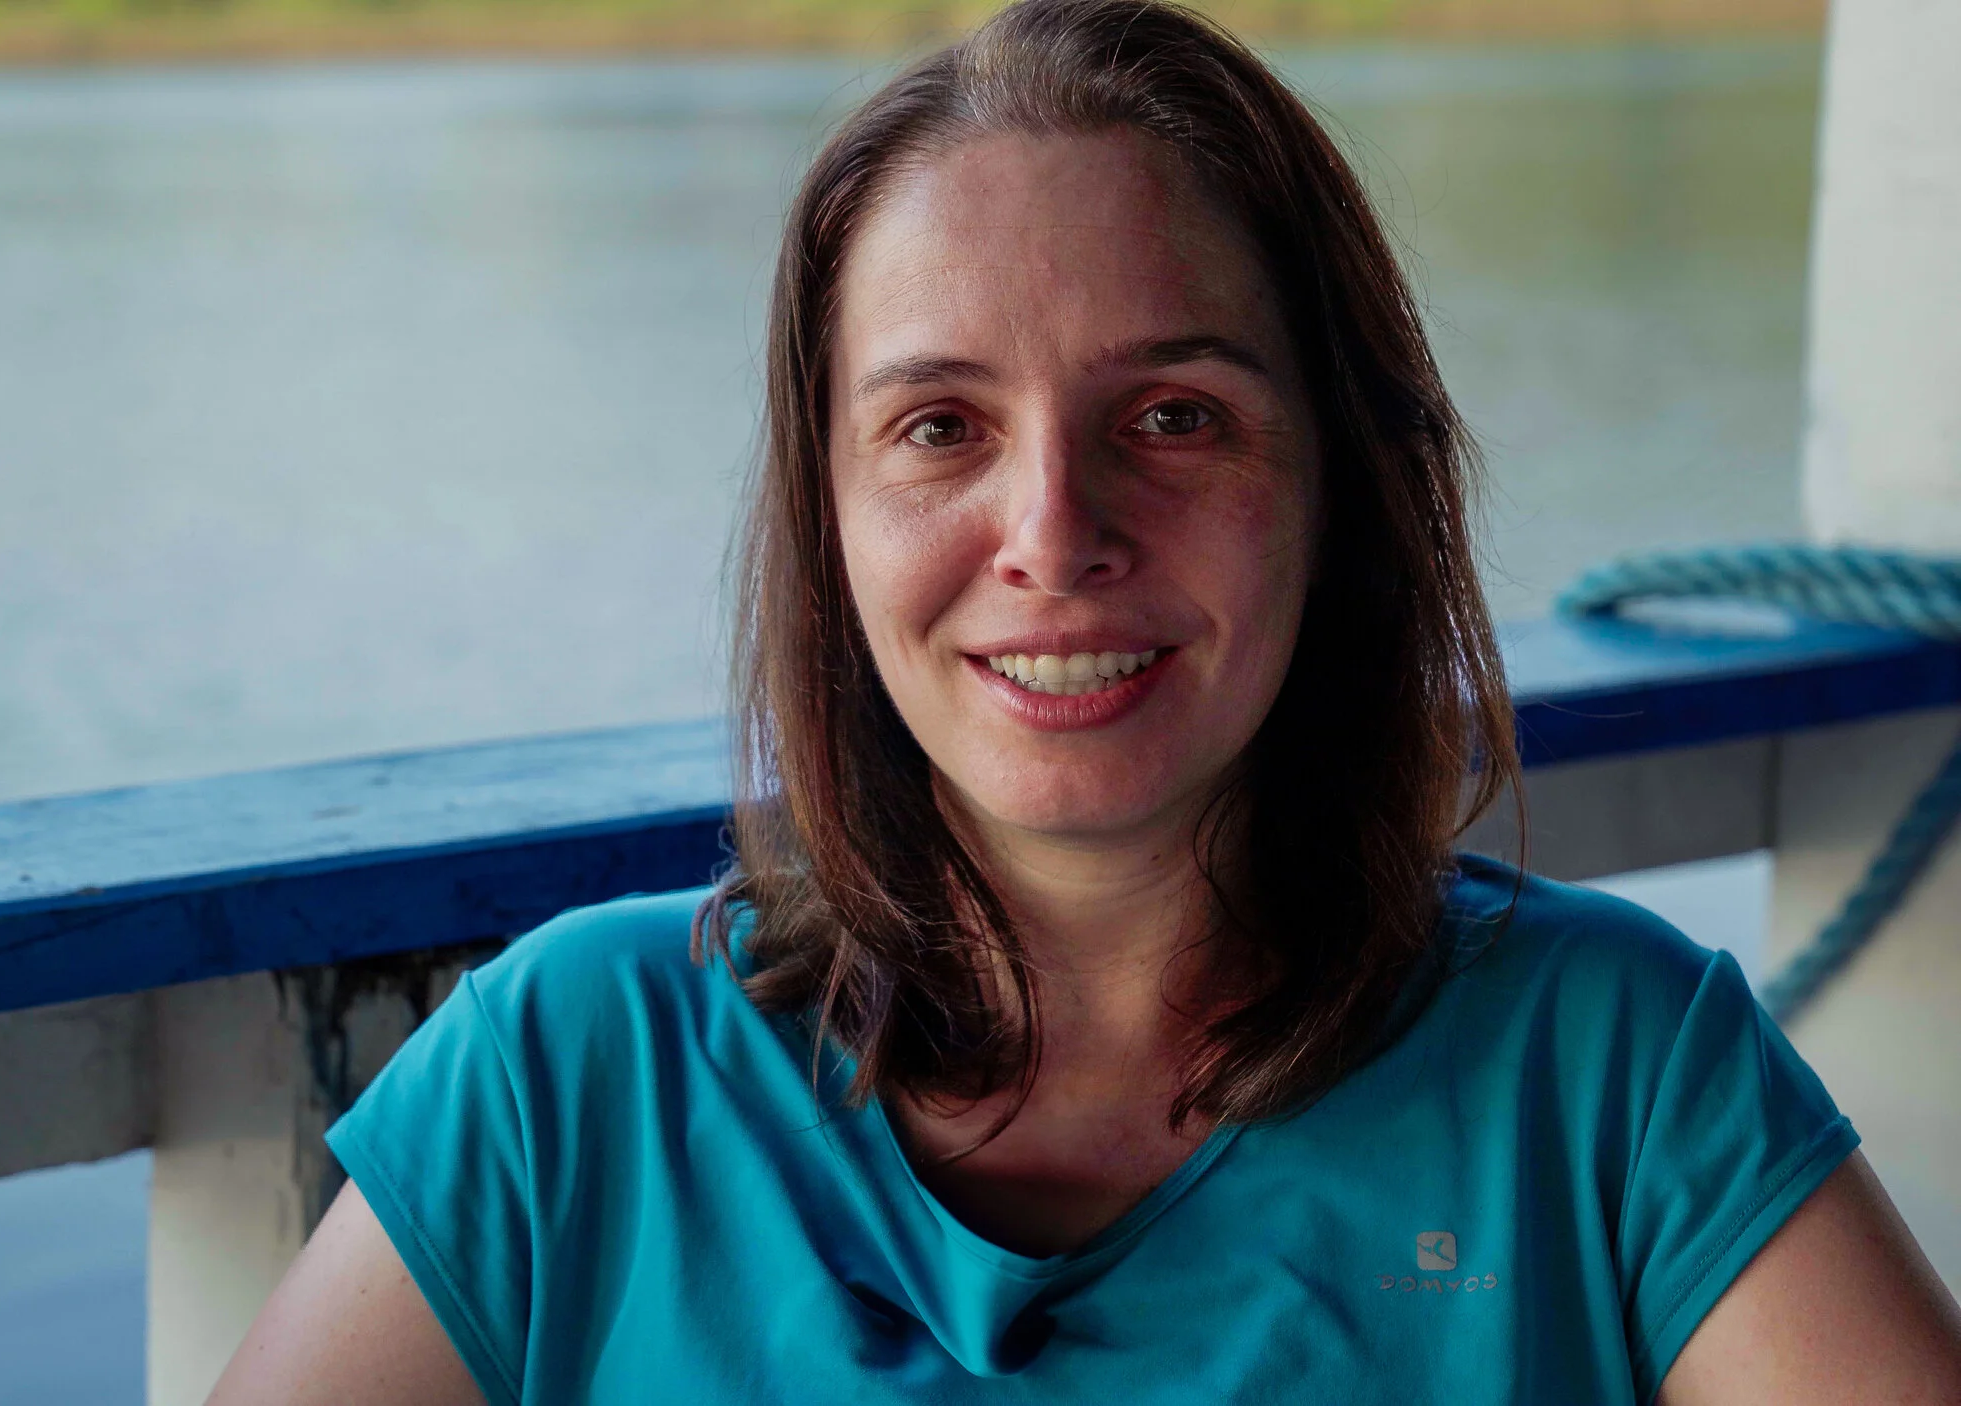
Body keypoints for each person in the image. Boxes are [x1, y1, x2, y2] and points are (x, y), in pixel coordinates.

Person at [209, 2, 1961, 1401]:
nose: (1052, 535)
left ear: (1339, 482)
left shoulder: (1621, 1080)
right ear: (827, 519)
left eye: (1175, 417)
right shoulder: (572, 1072)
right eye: (939, 428)